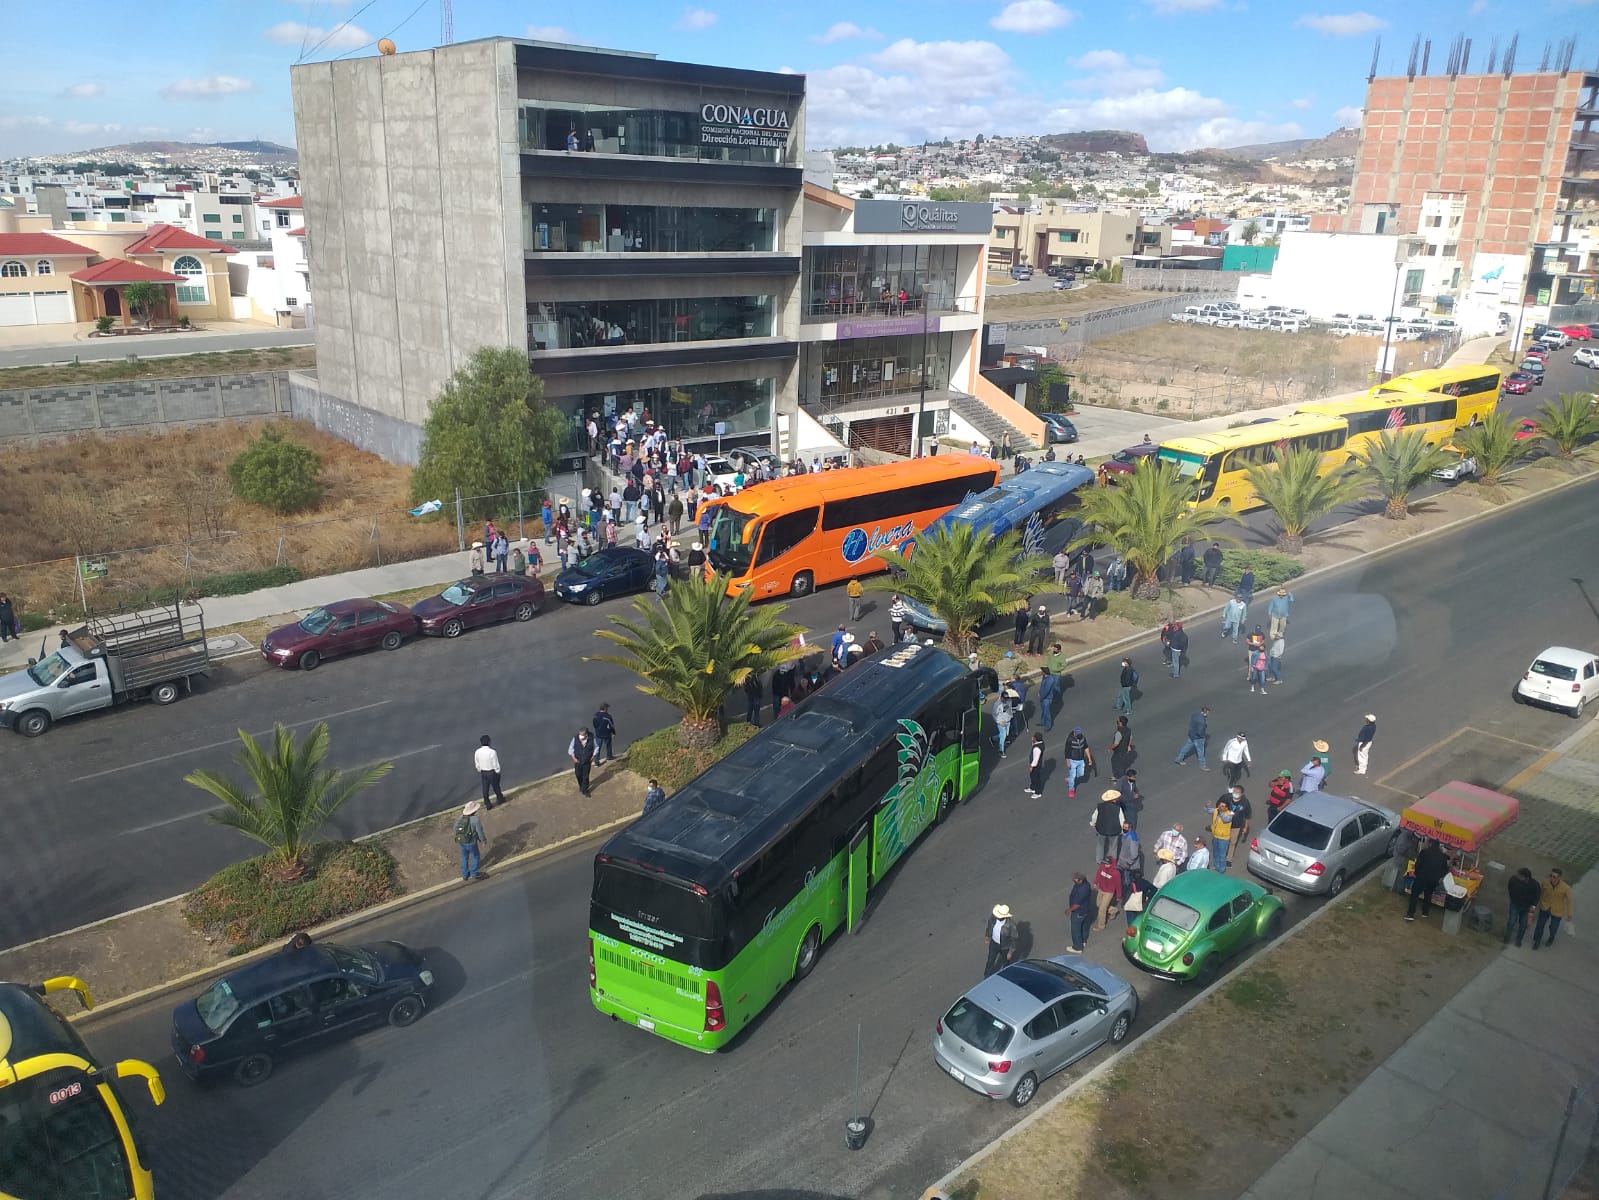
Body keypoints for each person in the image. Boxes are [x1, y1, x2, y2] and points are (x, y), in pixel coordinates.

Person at [1405, 838, 1451, 921]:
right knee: (1428, 894)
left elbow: (1418, 864)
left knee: (1415, 894)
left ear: (1430, 843)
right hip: (1434, 879)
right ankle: (1425, 912)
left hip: (1422, 877)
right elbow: (1446, 870)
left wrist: (1417, 873)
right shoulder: (1443, 856)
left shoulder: (1424, 852)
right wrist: (1439, 876)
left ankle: (1411, 914)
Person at [1534, 868, 1573, 949]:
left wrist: (1570, 914)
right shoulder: (1545, 883)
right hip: (1545, 907)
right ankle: (1537, 941)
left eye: (1554, 877)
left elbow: (1569, 901)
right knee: (1540, 925)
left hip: (1557, 911)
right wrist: (1536, 904)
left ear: (1559, 878)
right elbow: (1540, 893)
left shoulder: (1565, 888)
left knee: (1553, 928)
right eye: (1551, 876)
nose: (1552, 878)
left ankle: (1551, 938)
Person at [1505, 867, 1541, 947]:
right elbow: (1509, 887)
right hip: (1515, 905)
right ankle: (1506, 940)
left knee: (1523, 925)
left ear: (1526, 877)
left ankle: (1518, 941)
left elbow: (1537, 896)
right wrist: (1513, 898)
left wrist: (1533, 906)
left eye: (1520, 876)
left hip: (1526, 908)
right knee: (1511, 922)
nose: (1518, 876)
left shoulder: (1535, 885)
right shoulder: (1514, 880)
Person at [454, 800, 487, 882]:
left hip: (462, 841)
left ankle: (465, 874)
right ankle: (474, 872)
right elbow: (480, 831)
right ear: (474, 810)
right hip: (471, 842)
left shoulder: (461, 817)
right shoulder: (476, 819)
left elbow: (455, 828)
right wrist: (483, 840)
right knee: (476, 856)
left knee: (465, 857)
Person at [984, 903, 1018, 976]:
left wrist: (1010, 952)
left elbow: (1014, 939)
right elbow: (989, 927)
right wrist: (987, 935)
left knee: (1005, 962)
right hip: (994, 944)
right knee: (990, 961)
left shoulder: (1011, 925)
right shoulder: (993, 918)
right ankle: (986, 977)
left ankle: (1006, 976)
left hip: (1005, 947)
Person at [1092, 789, 1125, 862]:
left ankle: (1099, 859)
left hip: (1101, 829)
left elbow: (1094, 817)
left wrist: (1093, 824)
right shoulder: (1117, 809)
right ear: (1113, 800)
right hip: (1114, 830)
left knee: (1100, 845)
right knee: (1113, 847)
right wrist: (1122, 831)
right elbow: (1122, 820)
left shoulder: (1100, 806)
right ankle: (1112, 861)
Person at [473, 734, 505, 809]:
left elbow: (477, 763)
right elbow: (495, 763)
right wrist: (497, 771)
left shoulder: (477, 752)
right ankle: (500, 799)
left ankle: (488, 804)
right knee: (496, 787)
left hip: (483, 772)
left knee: (485, 788)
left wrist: (480, 770)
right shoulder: (492, 752)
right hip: (492, 772)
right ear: (489, 742)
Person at [1092, 856, 1123, 932]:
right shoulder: (1102, 867)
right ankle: (1114, 910)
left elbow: (1118, 885)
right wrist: (1096, 883)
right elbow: (1098, 875)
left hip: (1109, 892)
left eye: (1107, 864)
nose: (1105, 865)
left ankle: (1101, 926)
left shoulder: (1116, 873)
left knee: (1102, 909)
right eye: (1104, 863)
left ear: (1112, 864)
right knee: (1098, 904)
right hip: (1101, 889)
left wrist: (1118, 895)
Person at [1065, 873, 1094, 953]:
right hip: (1085, 910)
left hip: (1079, 912)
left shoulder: (1082, 890)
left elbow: (1077, 904)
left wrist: (1069, 910)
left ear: (1080, 880)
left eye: (1075, 880)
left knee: (1075, 929)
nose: (1074, 881)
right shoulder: (1086, 884)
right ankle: (1083, 941)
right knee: (1084, 926)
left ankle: (1077, 947)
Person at [1205, 796, 1235, 871]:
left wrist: (1220, 813)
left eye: (1222, 806)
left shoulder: (1230, 814)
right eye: (1220, 805)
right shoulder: (1216, 810)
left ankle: (1221, 870)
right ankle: (1216, 866)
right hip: (1215, 836)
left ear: (1227, 808)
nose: (1220, 807)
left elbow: (1225, 820)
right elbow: (1207, 810)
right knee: (1216, 853)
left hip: (1223, 839)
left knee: (1222, 855)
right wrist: (1206, 806)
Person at [1389, 825, 1420, 894]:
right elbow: (1407, 852)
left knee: (1396, 872)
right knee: (1400, 875)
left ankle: (1392, 886)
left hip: (1397, 856)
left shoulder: (1404, 835)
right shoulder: (1409, 841)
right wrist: (1415, 855)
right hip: (1401, 859)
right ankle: (1398, 890)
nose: (1417, 840)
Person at [1064, 726, 1093, 798]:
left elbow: (1086, 747)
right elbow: (1066, 751)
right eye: (1077, 734)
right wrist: (1068, 761)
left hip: (1081, 759)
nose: (1078, 736)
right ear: (1074, 733)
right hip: (1072, 760)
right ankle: (1071, 790)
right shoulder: (1069, 740)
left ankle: (1070, 778)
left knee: (1081, 774)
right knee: (1073, 775)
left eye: (1079, 734)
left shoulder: (1083, 738)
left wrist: (1089, 758)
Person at [1116, 822, 1144, 894]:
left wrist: (1128, 864)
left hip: (1128, 865)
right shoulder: (1124, 835)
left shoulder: (1132, 839)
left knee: (1126, 881)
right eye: (1124, 827)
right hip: (1121, 862)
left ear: (1130, 828)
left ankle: (1126, 894)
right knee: (1120, 878)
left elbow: (1134, 854)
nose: (1124, 829)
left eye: (1126, 828)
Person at [569, 728, 596, 797]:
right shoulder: (575, 738)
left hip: (587, 761)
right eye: (580, 735)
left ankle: (585, 790)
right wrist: (574, 758)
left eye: (582, 735)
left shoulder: (592, 738)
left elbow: (596, 747)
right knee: (578, 774)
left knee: (585, 776)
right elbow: (571, 749)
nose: (580, 736)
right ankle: (581, 786)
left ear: (586, 735)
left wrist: (593, 756)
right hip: (578, 761)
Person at [1037, 666, 1062, 732]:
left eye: (1042, 671)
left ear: (1045, 672)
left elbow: (1046, 690)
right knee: (1043, 710)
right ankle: (1042, 722)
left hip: (1047, 698)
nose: (1041, 672)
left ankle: (1048, 725)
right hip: (1043, 697)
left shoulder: (1050, 680)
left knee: (1046, 712)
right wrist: (1039, 692)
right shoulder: (1044, 678)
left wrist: (1042, 697)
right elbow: (1042, 686)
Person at [992, 689, 1014, 758]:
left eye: (1006, 699)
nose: (1006, 700)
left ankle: (993, 739)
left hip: (1008, 721)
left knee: (1006, 734)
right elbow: (994, 714)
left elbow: (1010, 709)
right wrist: (999, 722)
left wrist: (1011, 716)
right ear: (1001, 698)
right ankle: (1001, 750)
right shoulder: (997, 705)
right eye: (1004, 699)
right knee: (1003, 736)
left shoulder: (1009, 701)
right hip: (1001, 722)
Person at [1026, 732, 1045, 797]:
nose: (1032, 738)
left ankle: (1038, 792)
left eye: (1033, 737)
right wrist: (1033, 741)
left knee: (1036, 778)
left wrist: (1031, 766)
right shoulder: (1040, 743)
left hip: (1036, 766)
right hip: (1036, 765)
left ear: (1035, 739)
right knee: (1032, 777)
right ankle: (1032, 788)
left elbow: (1036, 759)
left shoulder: (1037, 748)